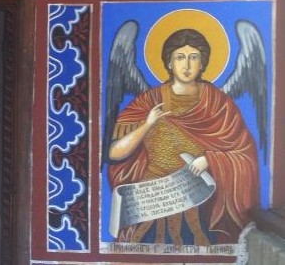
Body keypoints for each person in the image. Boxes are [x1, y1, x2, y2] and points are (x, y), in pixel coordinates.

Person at [107, 28, 259, 245]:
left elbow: (243, 153)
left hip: (198, 195)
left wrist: (210, 159)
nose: (187, 65)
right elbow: (115, 153)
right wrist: (147, 124)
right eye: (180, 57)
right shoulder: (149, 101)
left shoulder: (218, 104)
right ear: (169, 63)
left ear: (202, 64)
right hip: (152, 195)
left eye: (193, 57)